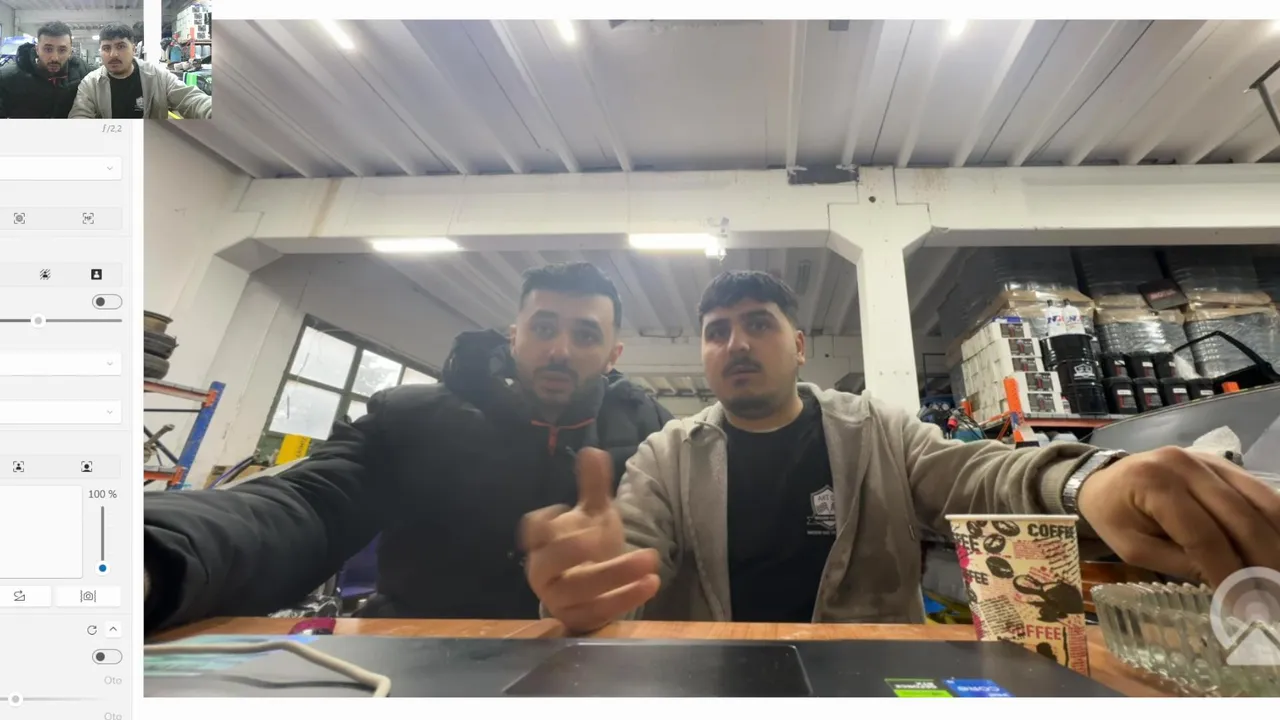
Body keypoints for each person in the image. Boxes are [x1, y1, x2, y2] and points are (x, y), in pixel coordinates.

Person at [523, 271, 1280, 632]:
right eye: (717, 332)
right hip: (714, 688)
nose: (736, 344)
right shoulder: (666, 454)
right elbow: (633, 554)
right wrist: (593, 575)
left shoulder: (877, 431)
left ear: (798, 344)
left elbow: (975, 475)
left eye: (757, 324)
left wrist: (1089, 483)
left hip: (871, 686)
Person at [142, 262, 673, 634]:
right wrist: (159, 555)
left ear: (613, 354)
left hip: (582, 663)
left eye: (586, 336)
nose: (560, 350)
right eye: (544, 328)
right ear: (515, 336)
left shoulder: (654, 437)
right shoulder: (410, 418)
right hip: (411, 657)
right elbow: (310, 503)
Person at [68, 24, 211, 120]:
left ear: (134, 49)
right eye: (106, 48)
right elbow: (79, 118)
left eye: (121, 46)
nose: (113, 54)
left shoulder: (158, 76)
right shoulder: (91, 83)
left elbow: (192, 100)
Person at [0, 22, 89, 119]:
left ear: (70, 52)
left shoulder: (83, 73)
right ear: (37, 49)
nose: (55, 57)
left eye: (62, 50)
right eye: (48, 49)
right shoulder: (7, 79)